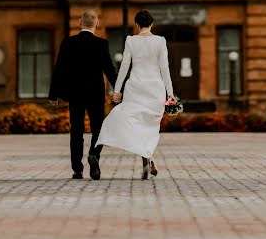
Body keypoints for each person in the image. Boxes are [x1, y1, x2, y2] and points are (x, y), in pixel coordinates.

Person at [96, 9, 175, 179]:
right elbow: (165, 69)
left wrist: (117, 90)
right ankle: (148, 159)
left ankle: (148, 160)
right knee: (150, 126)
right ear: (152, 24)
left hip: (136, 87)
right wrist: (171, 93)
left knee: (138, 124)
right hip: (155, 88)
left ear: (137, 25)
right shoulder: (160, 41)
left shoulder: (131, 41)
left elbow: (124, 67)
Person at [48, 10, 117, 180]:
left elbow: (59, 68)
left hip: (76, 93)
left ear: (80, 23)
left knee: (76, 130)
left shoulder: (69, 42)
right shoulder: (102, 44)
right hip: (96, 94)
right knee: (98, 129)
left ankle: (77, 168)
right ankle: (94, 154)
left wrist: (53, 94)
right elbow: (110, 70)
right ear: (97, 24)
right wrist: (120, 90)